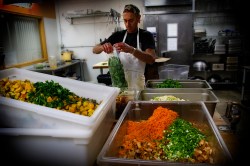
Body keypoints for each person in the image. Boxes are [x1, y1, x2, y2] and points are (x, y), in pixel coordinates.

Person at [92, 4, 157, 90]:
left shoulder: (146, 35)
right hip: (120, 85)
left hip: (138, 85)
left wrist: (132, 50)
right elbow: (94, 50)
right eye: (125, 21)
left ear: (138, 18)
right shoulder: (118, 35)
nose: (127, 24)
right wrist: (103, 47)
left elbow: (151, 59)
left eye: (131, 20)